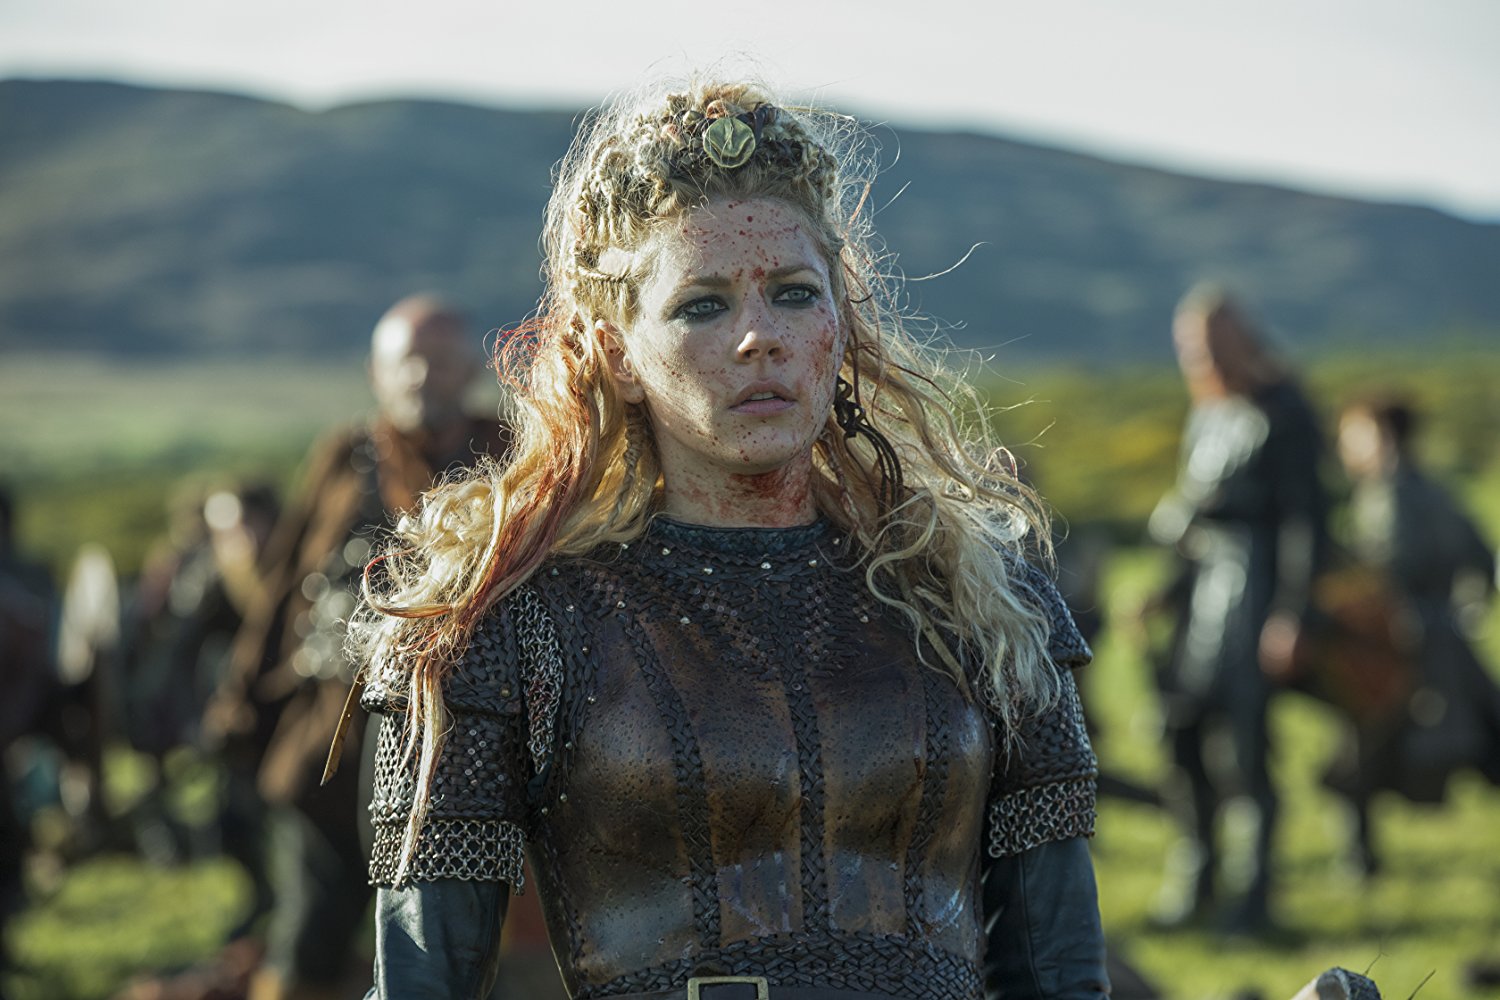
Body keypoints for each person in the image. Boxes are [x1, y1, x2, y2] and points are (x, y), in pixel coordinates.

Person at [349, 79, 1109, 1000]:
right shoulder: (504, 624)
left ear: (840, 321)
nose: (760, 338)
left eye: (794, 294)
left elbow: (1061, 978)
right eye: (703, 305)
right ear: (618, 355)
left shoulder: (981, 599)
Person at [204, 295, 510, 1000]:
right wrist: (240, 701)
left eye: (439, 361)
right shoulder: (345, 456)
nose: (421, 377)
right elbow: (284, 584)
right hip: (330, 745)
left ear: (468, 369)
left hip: (462, 746)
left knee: (447, 946)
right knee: (309, 933)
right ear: (377, 373)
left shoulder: (508, 452)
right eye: (407, 362)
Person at [1142, 286, 1328, 935]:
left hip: (1258, 587)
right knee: (1180, 729)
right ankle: (1197, 876)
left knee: (1247, 745)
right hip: (1204, 588)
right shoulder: (1208, 416)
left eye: (1214, 345)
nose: (1204, 359)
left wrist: (1293, 613)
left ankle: (1254, 896)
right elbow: (1197, 515)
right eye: (1193, 348)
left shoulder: (1285, 410)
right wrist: (1166, 589)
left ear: (1243, 339)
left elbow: (1307, 521)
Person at [1321, 395, 1500, 872]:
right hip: (1445, 637)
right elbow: (1482, 558)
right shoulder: (1438, 489)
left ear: (1382, 435)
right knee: (1485, 741)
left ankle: (1358, 859)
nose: (1345, 446)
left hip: (1395, 644)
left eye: (1353, 434)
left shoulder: (1388, 494)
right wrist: (1466, 613)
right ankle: (1359, 857)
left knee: (1361, 749)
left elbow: (1388, 570)